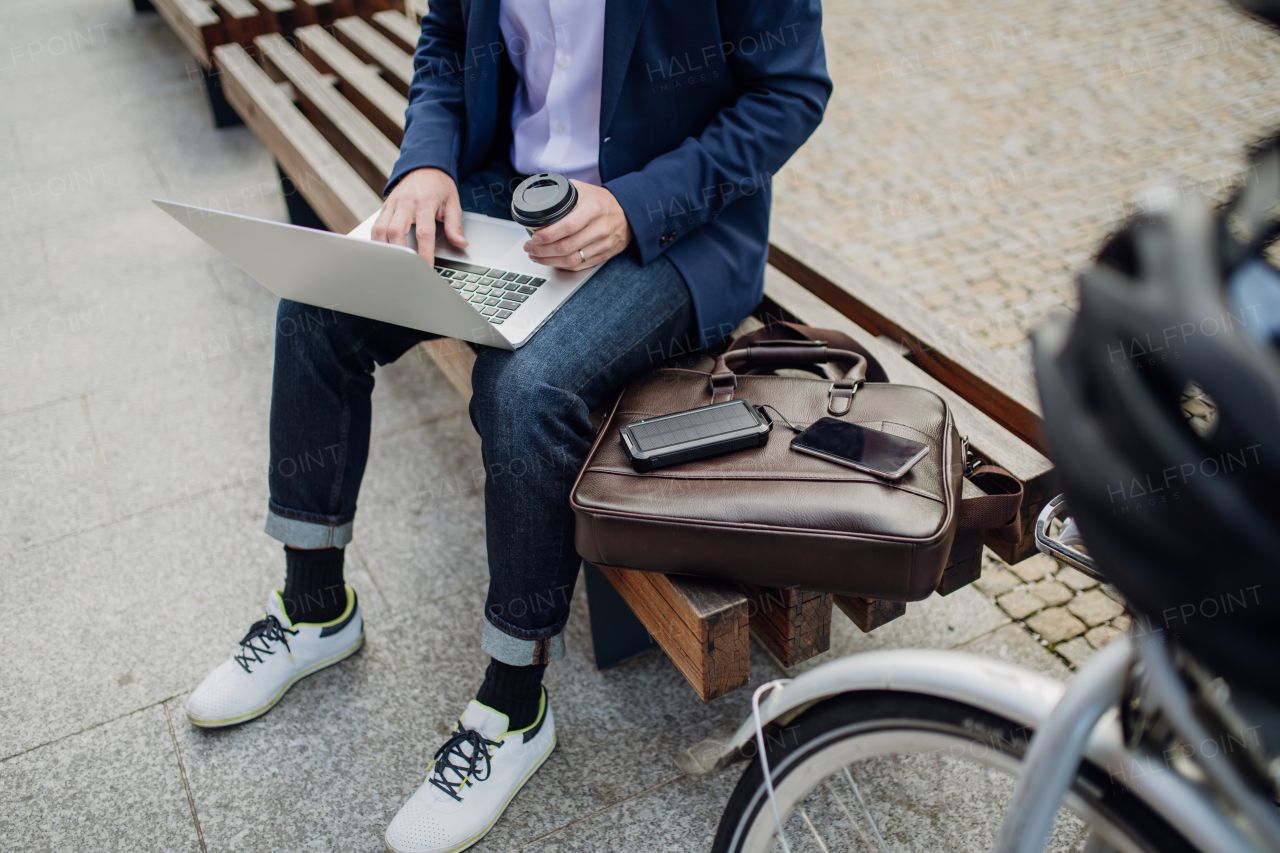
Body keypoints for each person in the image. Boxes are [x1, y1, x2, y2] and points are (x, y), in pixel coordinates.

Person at [185, 1, 831, 850]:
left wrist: (632, 206)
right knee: (314, 302)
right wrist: (424, 164)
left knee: (524, 390)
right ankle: (315, 607)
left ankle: (513, 707)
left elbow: (788, 93)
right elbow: (448, 39)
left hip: (672, 232)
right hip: (506, 186)